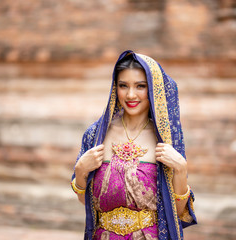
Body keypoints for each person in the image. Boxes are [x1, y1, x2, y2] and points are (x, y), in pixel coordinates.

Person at [71, 50, 197, 240]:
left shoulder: (166, 138)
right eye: (123, 86)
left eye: (140, 86)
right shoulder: (96, 135)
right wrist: (80, 170)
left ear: (153, 89)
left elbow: (177, 212)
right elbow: (87, 202)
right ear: (115, 88)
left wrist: (180, 169)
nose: (131, 95)